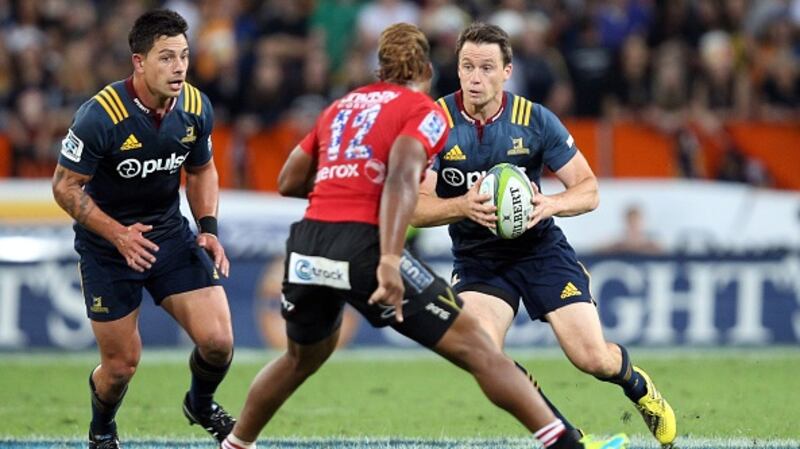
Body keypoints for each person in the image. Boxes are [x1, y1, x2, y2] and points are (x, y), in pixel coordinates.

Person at [222, 23, 628, 449]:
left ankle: (234, 444)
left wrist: (351, 182)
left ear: (379, 67)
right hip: (363, 245)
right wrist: (389, 259)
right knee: (478, 348)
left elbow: (289, 181)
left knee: (299, 358)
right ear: (426, 70)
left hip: (308, 245)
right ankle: (568, 446)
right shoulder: (423, 110)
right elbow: (402, 177)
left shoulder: (342, 107)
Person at [411, 22, 676, 446]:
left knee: (592, 358)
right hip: (479, 260)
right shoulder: (434, 124)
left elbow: (588, 190)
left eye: (486, 67)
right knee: (484, 356)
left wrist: (549, 204)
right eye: (466, 67)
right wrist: (462, 206)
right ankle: (571, 439)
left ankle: (638, 386)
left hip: (539, 250)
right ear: (457, 70)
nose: (475, 77)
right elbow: (414, 208)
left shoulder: (533, 120)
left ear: (507, 70)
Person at [51, 10, 235, 449]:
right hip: (107, 248)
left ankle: (201, 403)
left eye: (185, 56)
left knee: (218, 343)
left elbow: (203, 169)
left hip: (168, 235)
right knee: (120, 368)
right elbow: (64, 187)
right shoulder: (101, 115)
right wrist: (116, 234)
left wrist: (207, 227)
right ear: (139, 61)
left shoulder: (194, 106)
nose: (179, 68)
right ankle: (102, 428)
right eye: (167, 57)